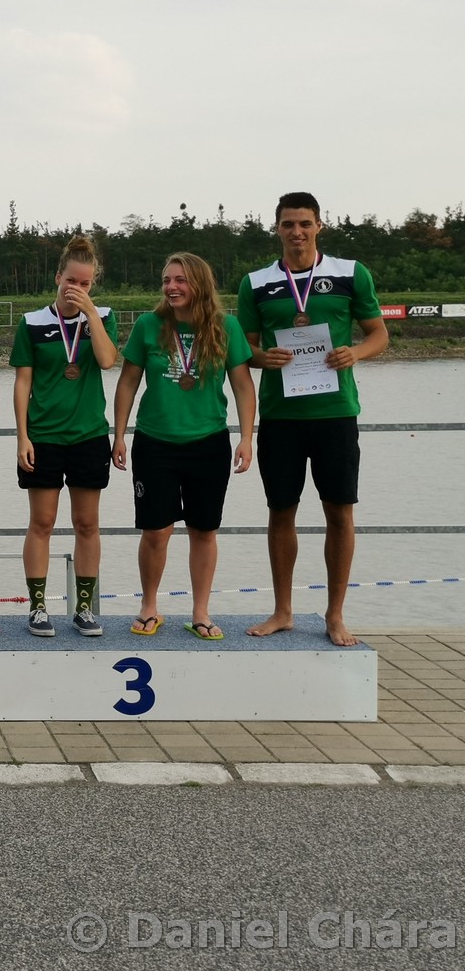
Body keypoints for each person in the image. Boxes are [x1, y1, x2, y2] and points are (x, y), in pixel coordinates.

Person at [238, 191, 387, 647]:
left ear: (319, 225)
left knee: (339, 511)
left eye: (305, 223)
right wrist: (264, 357)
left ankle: (335, 614)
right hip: (281, 417)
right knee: (281, 511)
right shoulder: (256, 282)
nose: (297, 232)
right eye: (288, 224)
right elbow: (244, 349)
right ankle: (283, 611)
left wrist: (354, 353)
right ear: (277, 229)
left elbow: (379, 334)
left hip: (335, 414)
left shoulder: (351, 272)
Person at [112, 252, 255, 640]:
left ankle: (201, 612)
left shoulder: (226, 327)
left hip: (208, 443)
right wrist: (119, 434)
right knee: (155, 531)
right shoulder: (148, 324)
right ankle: (149, 606)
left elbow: (243, 386)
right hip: (154, 443)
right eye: (166, 280)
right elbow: (128, 382)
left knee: (203, 530)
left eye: (180, 280)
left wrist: (246, 437)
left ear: (199, 284)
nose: (171, 287)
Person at [12, 235, 119, 638]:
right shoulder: (32, 322)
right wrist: (22, 437)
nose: (77, 288)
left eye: (85, 283)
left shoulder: (102, 317)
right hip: (44, 436)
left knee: (86, 523)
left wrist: (90, 315)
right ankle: (38, 608)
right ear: (58, 277)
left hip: (88, 435)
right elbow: (22, 383)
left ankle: (85, 608)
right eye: (71, 281)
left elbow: (107, 361)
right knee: (41, 522)